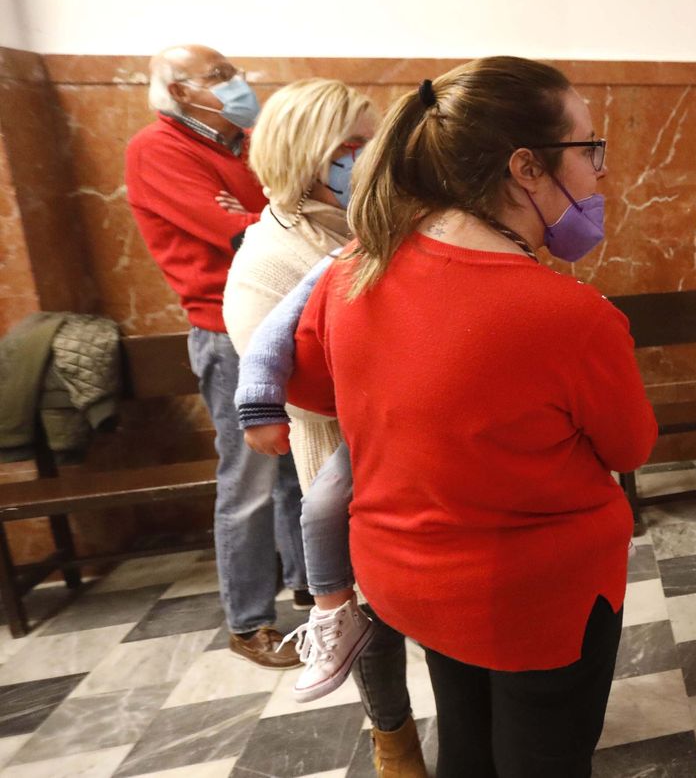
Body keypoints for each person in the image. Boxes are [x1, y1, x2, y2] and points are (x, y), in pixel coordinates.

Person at [286, 57, 658, 776]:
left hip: (406, 580)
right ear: (526, 167)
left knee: (466, 736)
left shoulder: (354, 271)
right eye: (588, 148)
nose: (599, 171)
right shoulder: (571, 317)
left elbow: (310, 387)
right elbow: (631, 445)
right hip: (535, 600)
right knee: (541, 755)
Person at [223, 80, 425, 776]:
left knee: (442, 592)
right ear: (309, 154)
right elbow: (289, 384)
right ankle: (393, 740)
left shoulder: (385, 217)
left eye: (372, 143)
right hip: (345, 454)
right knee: (372, 615)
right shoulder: (267, 260)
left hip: (425, 446)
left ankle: (474, 725)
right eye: (353, 146)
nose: (370, 159)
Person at [125, 45, 304, 669]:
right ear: (178, 91)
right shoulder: (159, 149)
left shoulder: (248, 142)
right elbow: (243, 231)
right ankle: (249, 622)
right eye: (220, 76)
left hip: (286, 318)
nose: (239, 83)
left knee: (298, 469)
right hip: (228, 332)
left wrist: (268, 216)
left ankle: (312, 595)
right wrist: (269, 217)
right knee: (249, 481)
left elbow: (299, 210)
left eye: (236, 72)